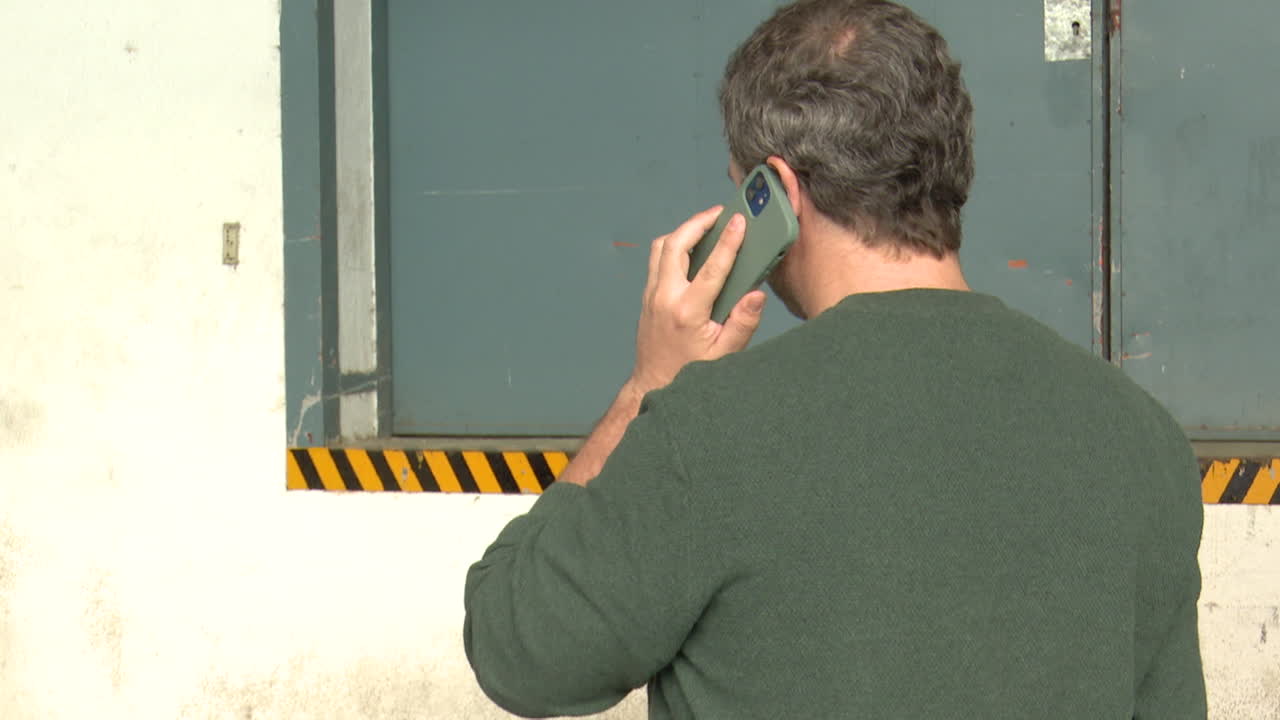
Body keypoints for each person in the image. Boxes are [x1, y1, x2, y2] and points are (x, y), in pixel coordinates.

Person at [463, 1, 1206, 717]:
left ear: (778, 192)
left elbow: (520, 652)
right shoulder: (1142, 440)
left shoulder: (710, 429)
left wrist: (648, 386)